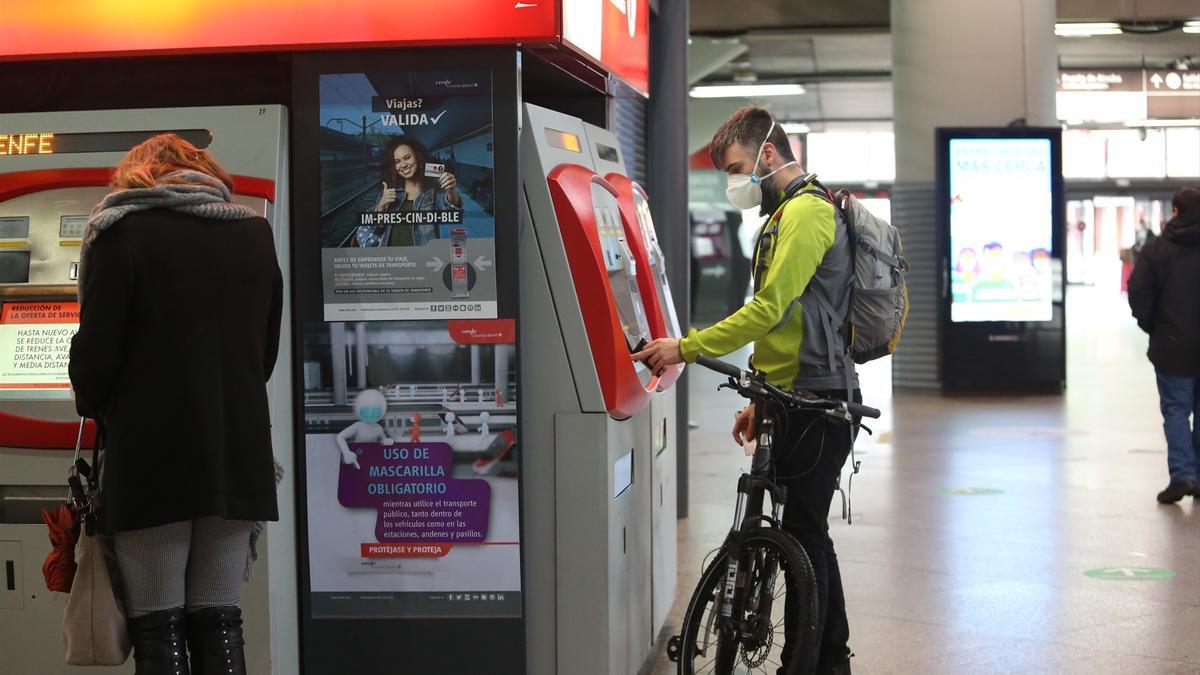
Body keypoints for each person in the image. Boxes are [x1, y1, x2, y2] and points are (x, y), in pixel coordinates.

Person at [637, 107, 859, 674]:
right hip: (792, 396)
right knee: (804, 533)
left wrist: (685, 346)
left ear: (766, 154)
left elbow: (767, 309)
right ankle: (826, 659)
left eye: (737, 168)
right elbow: (786, 326)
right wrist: (760, 396)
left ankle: (810, 662)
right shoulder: (780, 218)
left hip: (820, 397)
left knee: (804, 533)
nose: (736, 182)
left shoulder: (808, 213)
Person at [69, 134, 282, 675]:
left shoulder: (121, 233)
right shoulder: (254, 233)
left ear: (137, 176)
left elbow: (96, 359)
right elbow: (265, 354)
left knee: (157, 625)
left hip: (152, 460)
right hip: (237, 457)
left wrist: (93, 399)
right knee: (219, 620)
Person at [1128, 186, 1200, 504]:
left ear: (1174, 212)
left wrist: (1153, 326)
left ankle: (1183, 475)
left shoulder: (1157, 249)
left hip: (1172, 346)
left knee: (1175, 410)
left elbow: (1138, 293)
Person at [369, 136, 462, 247]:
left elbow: (451, 212)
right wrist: (381, 206)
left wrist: (451, 190)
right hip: (391, 258)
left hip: (422, 257)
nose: (403, 165)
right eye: (397, 161)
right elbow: (375, 228)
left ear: (417, 157)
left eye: (407, 157)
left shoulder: (432, 186)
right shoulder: (388, 187)